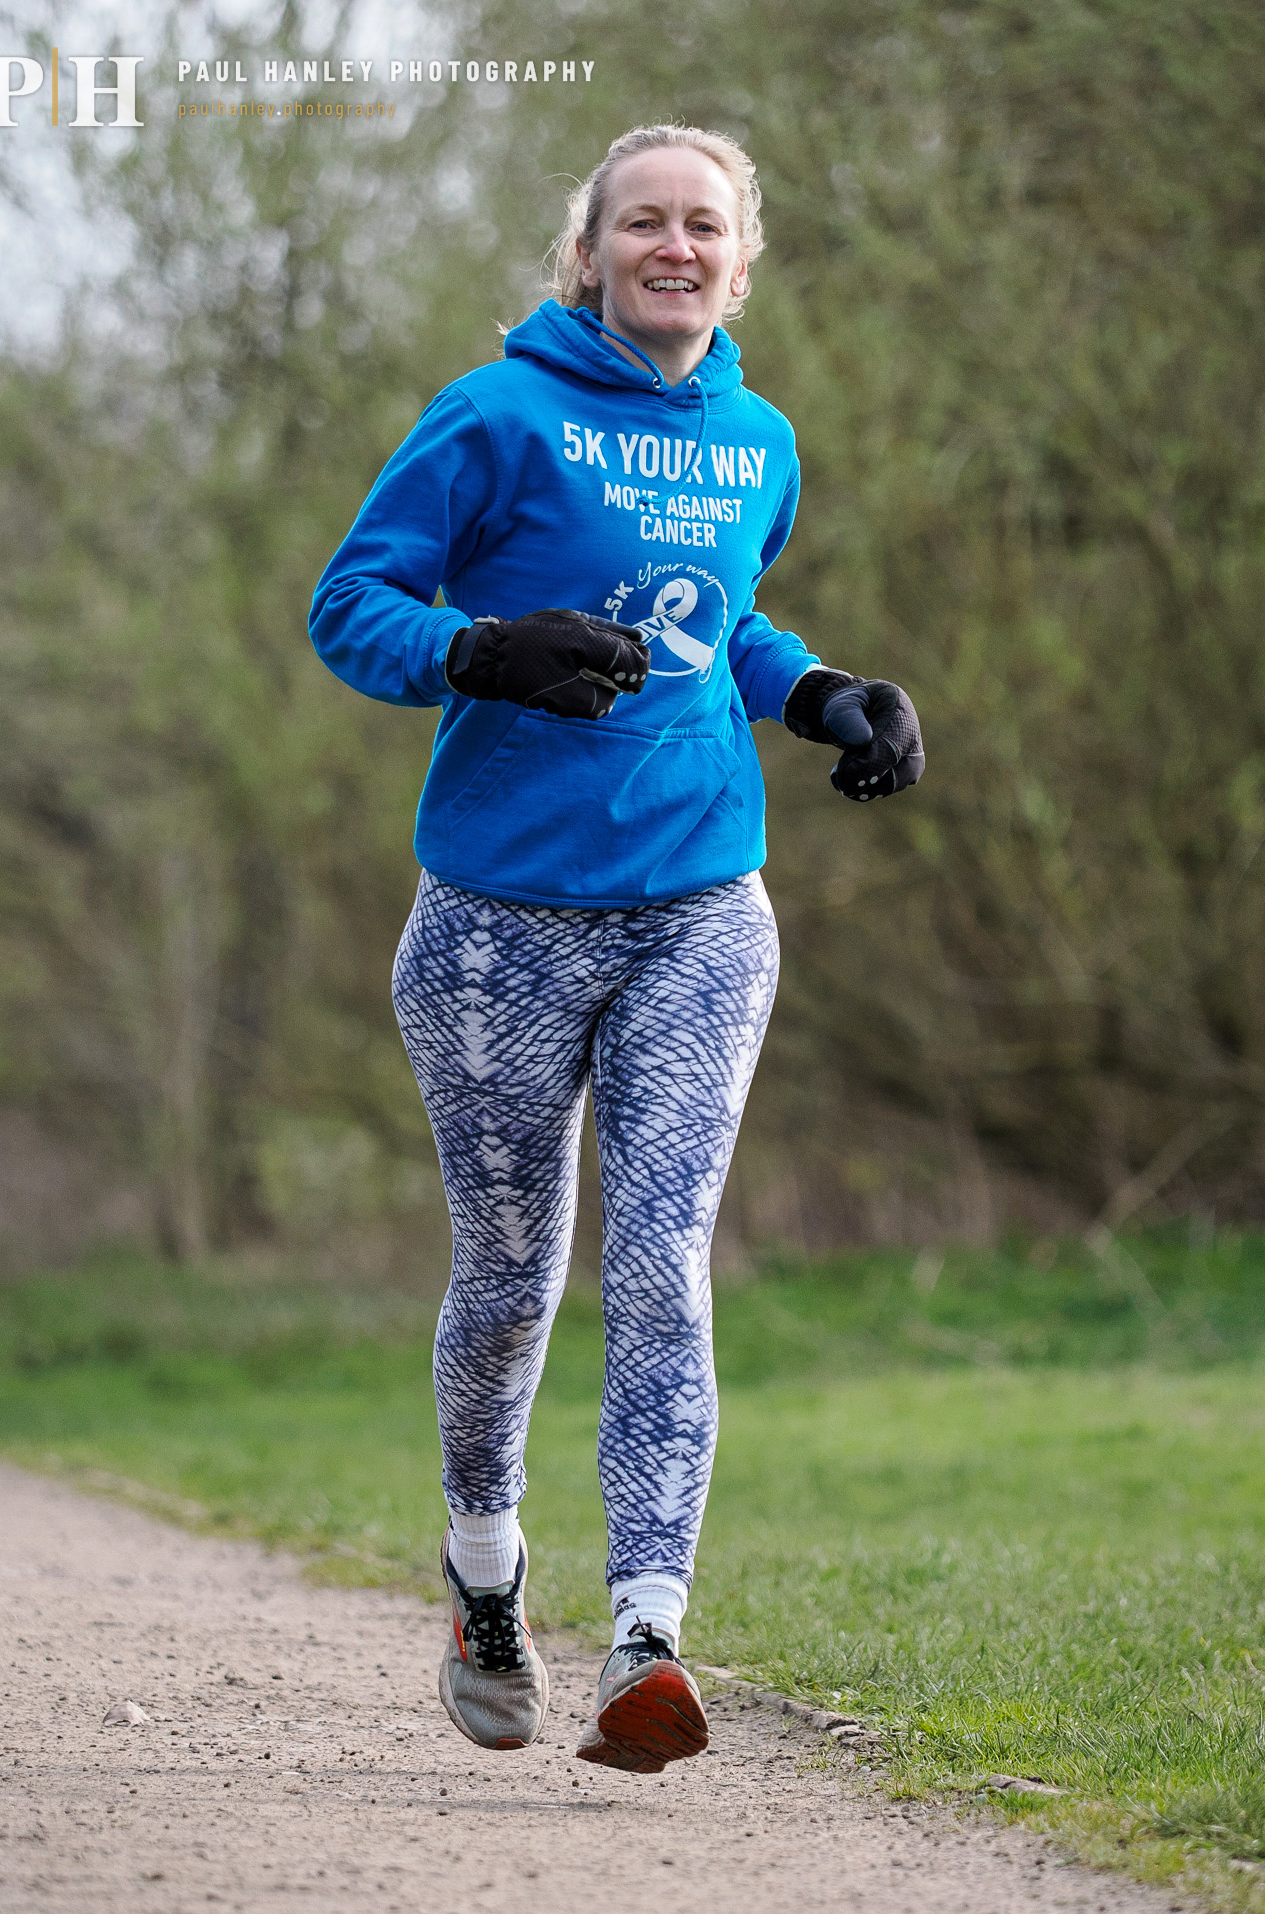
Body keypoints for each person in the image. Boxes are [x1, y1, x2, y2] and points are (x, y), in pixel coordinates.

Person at [308, 122, 924, 1775]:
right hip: (499, 921)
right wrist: (481, 651)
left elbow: (728, 625)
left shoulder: (761, 441)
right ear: (588, 256)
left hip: (702, 904)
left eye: (703, 225)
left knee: (660, 1261)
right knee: (512, 1279)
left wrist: (823, 694)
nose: (674, 247)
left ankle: (648, 1634)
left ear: (742, 261)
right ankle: (484, 1571)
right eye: (642, 222)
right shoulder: (494, 415)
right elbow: (350, 606)